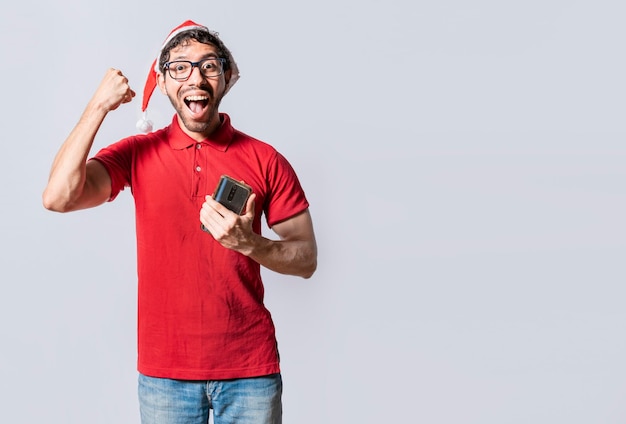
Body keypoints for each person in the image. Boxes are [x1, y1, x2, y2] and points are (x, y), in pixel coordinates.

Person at [42, 20, 317, 424]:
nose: (195, 77)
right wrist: (97, 106)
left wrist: (250, 244)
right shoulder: (136, 154)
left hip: (250, 373)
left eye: (209, 65)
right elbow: (58, 197)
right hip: (164, 376)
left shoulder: (265, 159)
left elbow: (306, 258)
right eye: (180, 67)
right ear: (163, 80)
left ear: (226, 77)